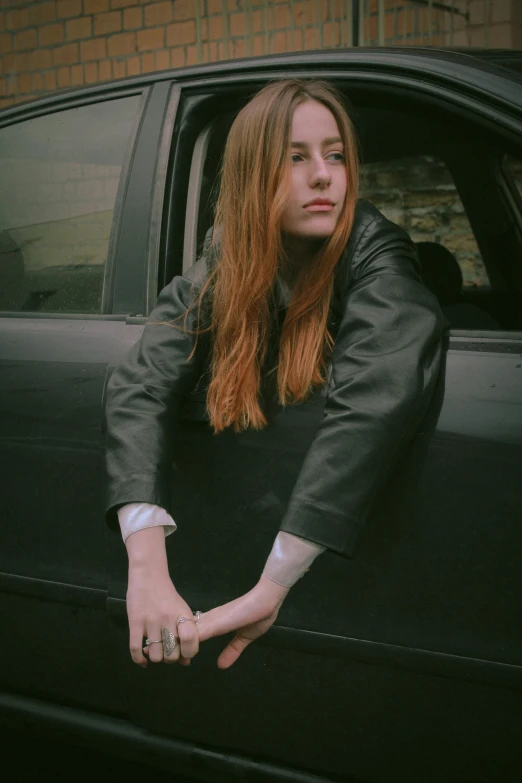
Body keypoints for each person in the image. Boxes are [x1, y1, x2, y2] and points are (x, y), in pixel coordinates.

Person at [105, 78, 444, 671]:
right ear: (251, 175)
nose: (323, 175)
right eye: (296, 157)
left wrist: (272, 585)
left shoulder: (374, 249)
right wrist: (146, 563)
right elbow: (141, 381)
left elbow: (376, 395)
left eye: (335, 155)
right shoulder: (223, 261)